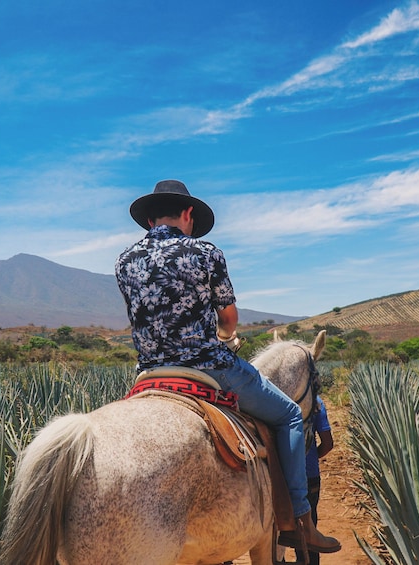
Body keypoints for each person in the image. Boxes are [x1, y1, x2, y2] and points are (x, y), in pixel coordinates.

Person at [114, 179, 341, 554]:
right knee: (286, 413)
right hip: (207, 366)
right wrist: (221, 334)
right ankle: (299, 520)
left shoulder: (124, 260)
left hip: (150, 371)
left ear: (149, 219)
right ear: (188, 214)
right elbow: (229, 320)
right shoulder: (206, 253)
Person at [295, 396, 334, 565]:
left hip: (278, 475)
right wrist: (311, 458)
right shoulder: (316, 402)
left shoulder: (276, 398)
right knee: (309, 525)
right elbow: (327, 443)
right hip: (309, 475)